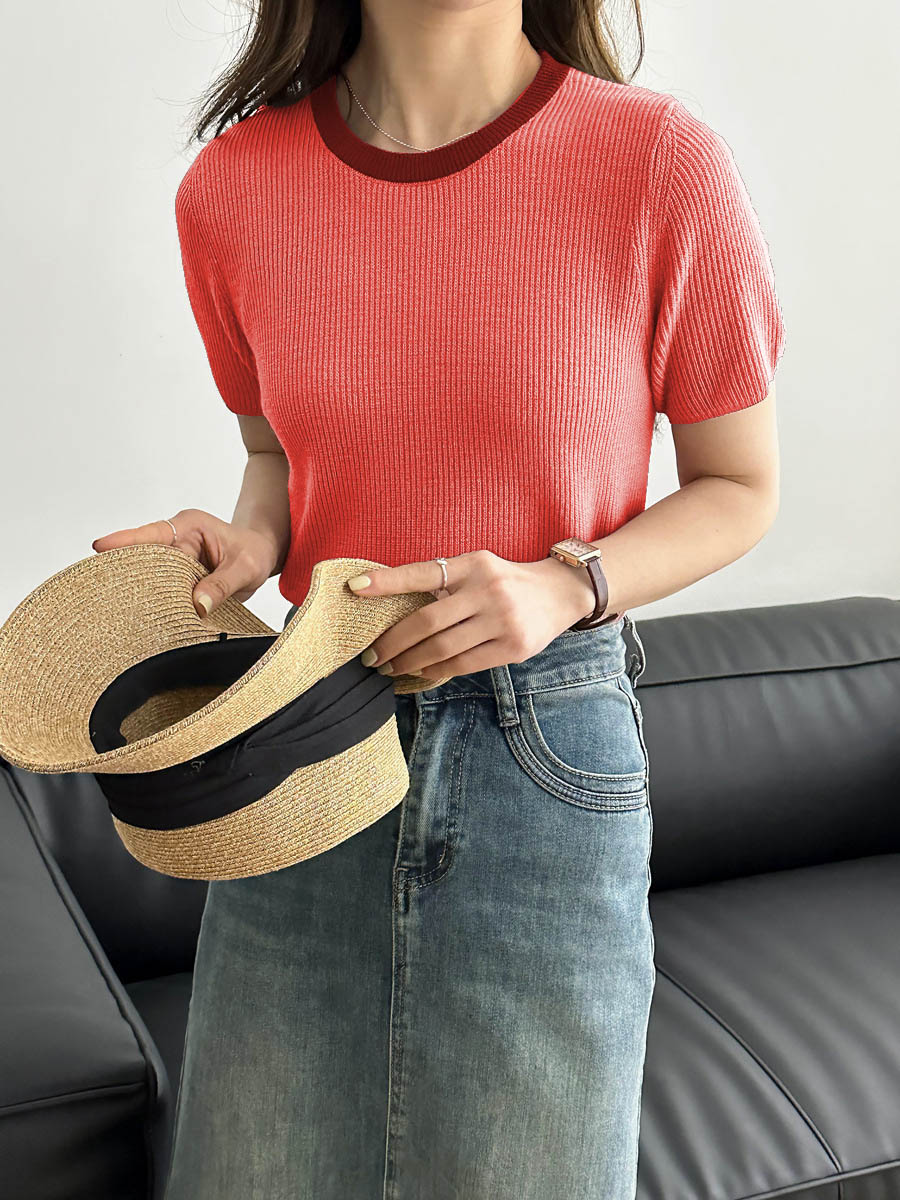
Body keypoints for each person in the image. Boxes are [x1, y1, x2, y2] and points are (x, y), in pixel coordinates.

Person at [94, 3, 785, 1197]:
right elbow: (275, 453)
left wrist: (568, 586)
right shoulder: (233, 190)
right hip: (305, 744)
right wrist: (253, 542)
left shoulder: (658, 163)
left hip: (547, 752)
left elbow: (740, 486)